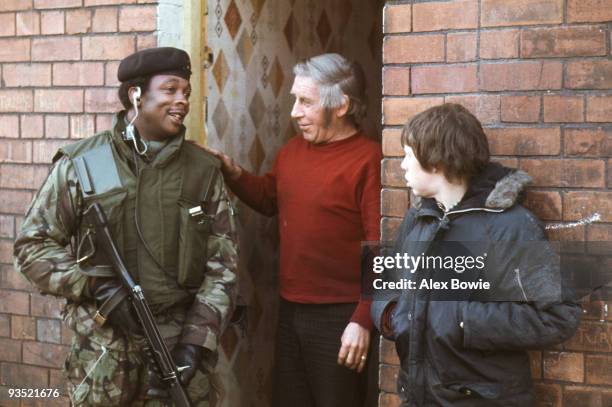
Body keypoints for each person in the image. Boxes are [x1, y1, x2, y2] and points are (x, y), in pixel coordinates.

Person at [13, 47, 238, 407]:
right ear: (136, 94)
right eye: (170, 90)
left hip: (175, 356)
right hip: (103, 358)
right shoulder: (84, 163)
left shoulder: (202, 171)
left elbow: (223, 265)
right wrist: (94, 285)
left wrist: (195, 344)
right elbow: (32, 246)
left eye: (187, 93)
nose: (182, 101)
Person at [372, 103, 582, 406]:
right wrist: (391, 316)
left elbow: (558, 315)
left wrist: (461, 320)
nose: (402, 165)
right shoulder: (418, 219)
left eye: (408, 155)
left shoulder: (510, 226)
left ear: (436, 160)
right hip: (419, 397)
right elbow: (385, 280)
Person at [209, 53, 381, 407]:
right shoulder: (291, 152)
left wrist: (363, 320)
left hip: (342, 315)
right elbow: (270, 199)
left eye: (306, 102)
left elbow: (381, 248)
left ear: (342, 105)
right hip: (290, 309)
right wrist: (232, 172)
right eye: (294, 100)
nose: (294, 112)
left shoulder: (369, 160)